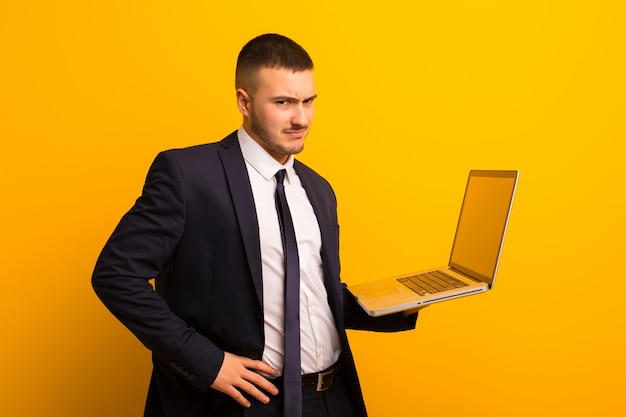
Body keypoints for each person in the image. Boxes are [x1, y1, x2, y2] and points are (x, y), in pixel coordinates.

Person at [92, 33, 418, 417]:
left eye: (308, 101)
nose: (301, 118)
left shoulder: (318, 189)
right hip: (240, 404)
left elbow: (310, 296)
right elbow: (116, 275)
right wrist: (208, 363)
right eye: (284, 103)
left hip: (331, 397)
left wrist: (399, 302)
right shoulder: (188, 175)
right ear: (244, 102)